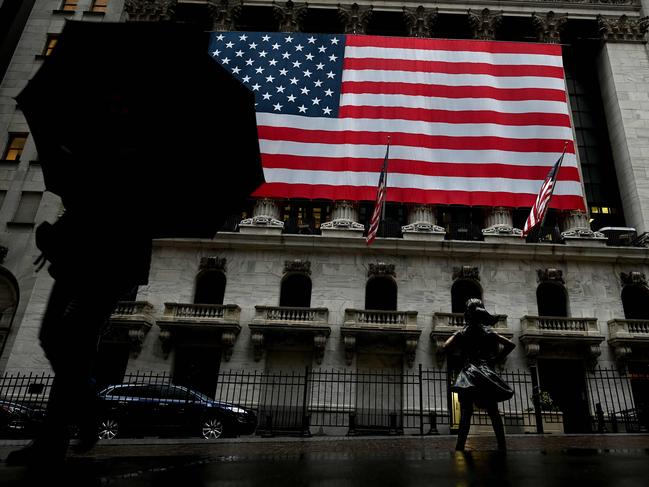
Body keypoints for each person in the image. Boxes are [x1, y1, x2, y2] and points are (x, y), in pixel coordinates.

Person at [5, 207, 152, 466]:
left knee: (74, 339)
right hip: (74, 259)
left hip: (108, 262)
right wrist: (56, 235)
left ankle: (58, 432)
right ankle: (83, 408)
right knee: (54, 337)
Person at [443, 298, 515, 451]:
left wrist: (461, 351)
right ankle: (502, 445)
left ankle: (460, 446)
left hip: (469, 373)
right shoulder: (487, 331)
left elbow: (446, 346)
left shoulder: (462, 332)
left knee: (465, 413)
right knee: (493, 411)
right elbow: (510, 345)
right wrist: (496, 359)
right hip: (484, 371)